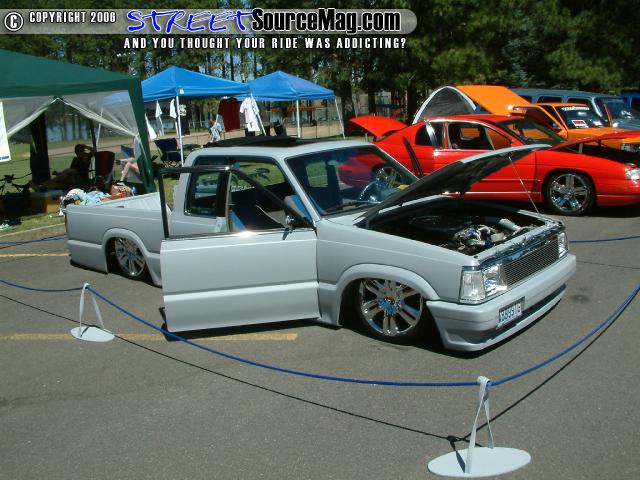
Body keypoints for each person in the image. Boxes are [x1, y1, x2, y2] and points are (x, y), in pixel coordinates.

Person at [30, 144, 94, 192]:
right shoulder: (75, 159)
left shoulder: (85, 157)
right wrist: (60, 173)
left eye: (81, 150)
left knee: (66, 173)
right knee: (58, 183)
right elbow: (69, 170)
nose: (80, 152)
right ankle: (40, 188)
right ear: (76, 152)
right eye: (78, 151)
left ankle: (41, 185)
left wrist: (85, 146)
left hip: (80, 179)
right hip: (71, 178)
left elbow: (94, 151)